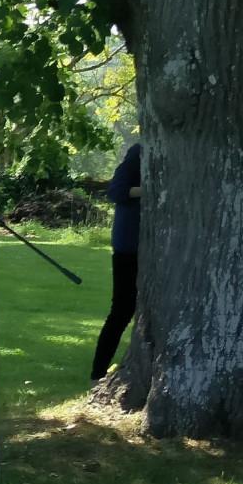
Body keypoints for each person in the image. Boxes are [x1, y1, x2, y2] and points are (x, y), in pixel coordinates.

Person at [91, 142, 142, 381]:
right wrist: (148, 190)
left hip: (154, 248)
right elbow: (116, 191)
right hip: (128, 246)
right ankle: (97, 373)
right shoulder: (138, 153)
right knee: (122, 310)